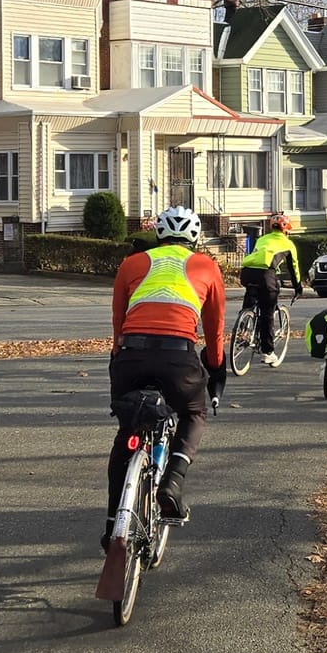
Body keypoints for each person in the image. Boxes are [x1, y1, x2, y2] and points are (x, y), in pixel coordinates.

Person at [106, 205, 226, 548]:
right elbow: (215, 329)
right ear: (194, 238)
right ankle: (173, 480)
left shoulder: (132, 263)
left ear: (158, 234)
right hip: (178, 359)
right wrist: (216, 366)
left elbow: (118, 321)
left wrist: (118, 354)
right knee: (193, 413)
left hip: (131, 355)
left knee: (127, 433)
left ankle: (113, 524)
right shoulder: (206, 266)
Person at [239, 212, 303, 367]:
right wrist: (298, 287)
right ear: (286, 229)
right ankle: (268, 352)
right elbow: (293, 268)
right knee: (267, 314)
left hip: (247, 272)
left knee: (251, 297)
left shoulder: (262, 239)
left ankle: (244, 328)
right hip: (266, 275)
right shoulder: (288, 244)